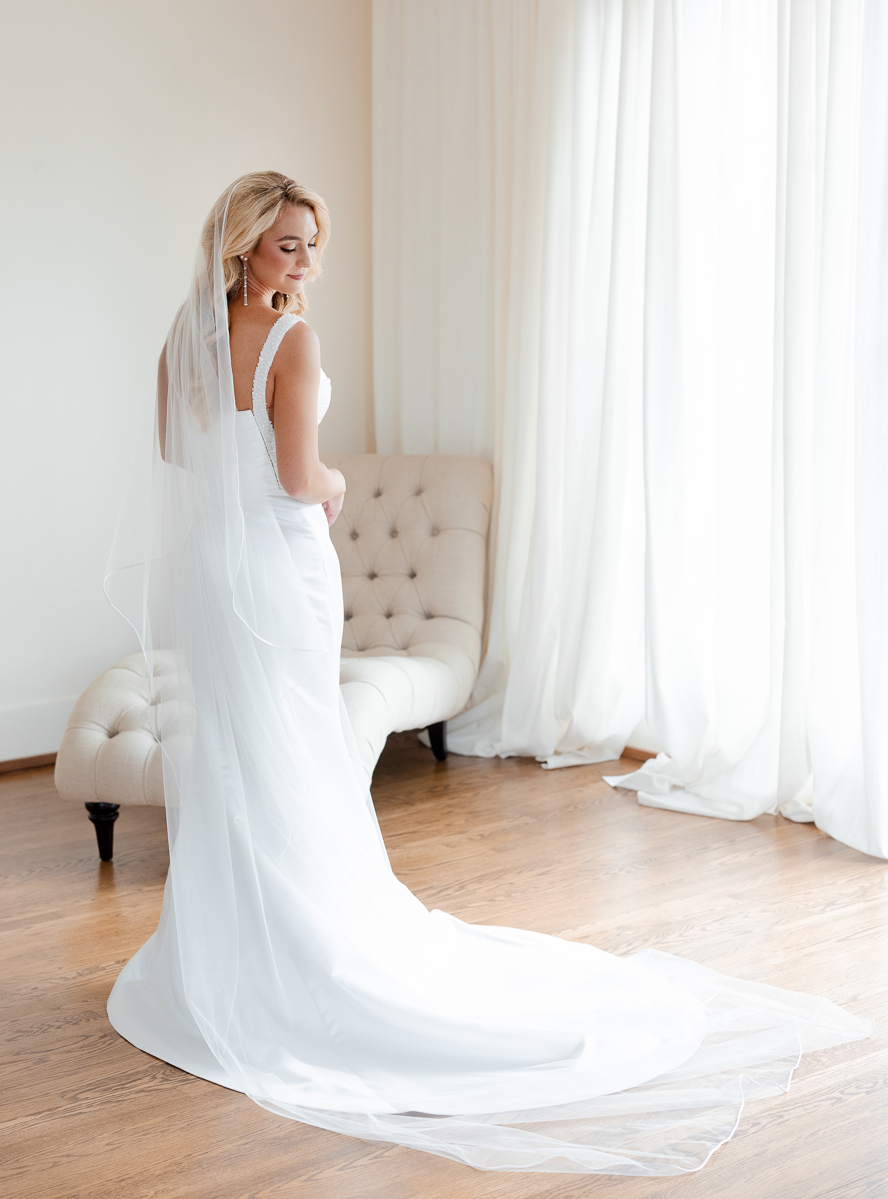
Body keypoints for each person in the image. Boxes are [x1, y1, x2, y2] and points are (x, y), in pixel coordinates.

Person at [105, 171, 872, 1176]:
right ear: (245, 244)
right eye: (287, 243)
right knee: (291, 751)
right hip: (281, 563)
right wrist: (332, 485)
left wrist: (244, 475)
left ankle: (235, 943)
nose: (303, 261)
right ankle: (306, 942)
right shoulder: (293, 341)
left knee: (254, 753)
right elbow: (300, 478)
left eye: (310, 245)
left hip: (216, 570)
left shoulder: (186, 330)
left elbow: (171, 446)